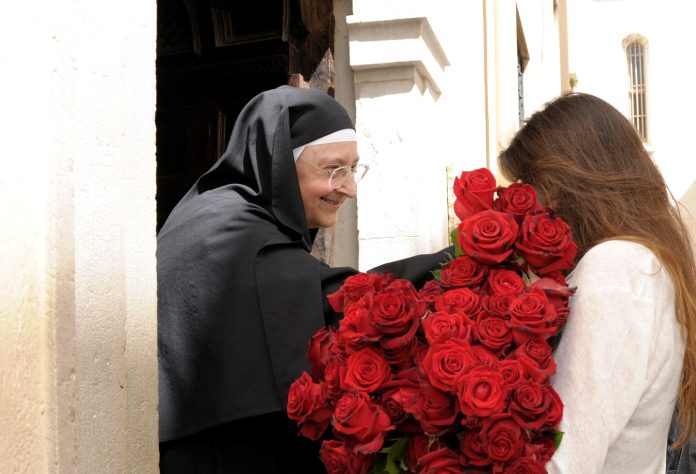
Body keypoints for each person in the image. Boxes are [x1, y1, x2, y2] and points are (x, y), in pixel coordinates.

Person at [157, 85, 450, 473]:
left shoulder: (217, 214)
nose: (349, 188)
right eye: (333, 170)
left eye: (353, 167)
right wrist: (457, 262)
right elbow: (338, 305)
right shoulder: (227, 230)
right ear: (278, 163)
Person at [498, 92, 696, 473]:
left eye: (526, 187)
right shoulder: (645, 261)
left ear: (556, 185)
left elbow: (565, 459)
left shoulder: (615, 268)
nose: (521, 205)